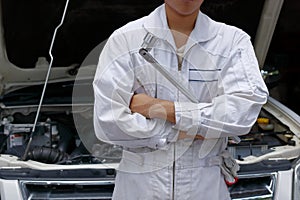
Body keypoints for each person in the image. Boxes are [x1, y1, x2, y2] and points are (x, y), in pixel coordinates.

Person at [93, 0, 269, 199]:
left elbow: (241, 114)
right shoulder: (125, 39)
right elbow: (108, 122)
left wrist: (160, 108)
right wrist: (192, 130)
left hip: (205, 188)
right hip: (138, 189)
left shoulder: (232, 42)